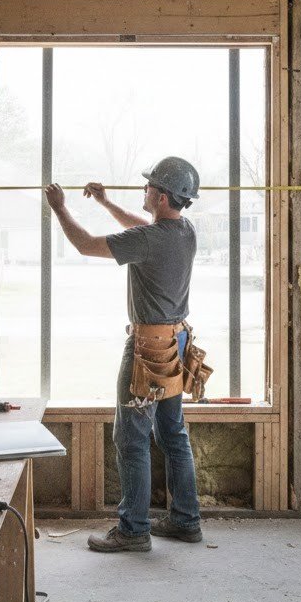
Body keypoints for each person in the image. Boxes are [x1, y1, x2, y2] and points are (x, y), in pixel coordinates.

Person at [44, 157, 203, 552]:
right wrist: (105, 203)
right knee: (172, 433)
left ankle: (133, 530)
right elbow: (142, 229)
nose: (144, 190)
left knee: (131, 438)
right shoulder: (183, 231)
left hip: (148, 350)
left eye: (149, 187)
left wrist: (60, 207)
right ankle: (186, 520)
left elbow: (85, 245)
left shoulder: (150, 240)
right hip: (177, 345)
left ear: (162, 197)